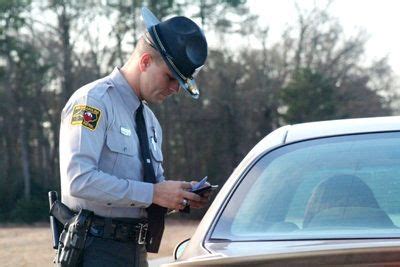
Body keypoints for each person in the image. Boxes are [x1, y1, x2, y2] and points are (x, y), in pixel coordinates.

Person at [59, 7, 209, 266]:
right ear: (145, 62)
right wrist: (152, 193)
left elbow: (144, 195)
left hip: (135, 252)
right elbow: (79, 179)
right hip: (94, 251)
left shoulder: (150, 122)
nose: (175, 89)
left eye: (181, 82)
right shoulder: (93, 102)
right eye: (171, 77)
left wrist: (176, 196)